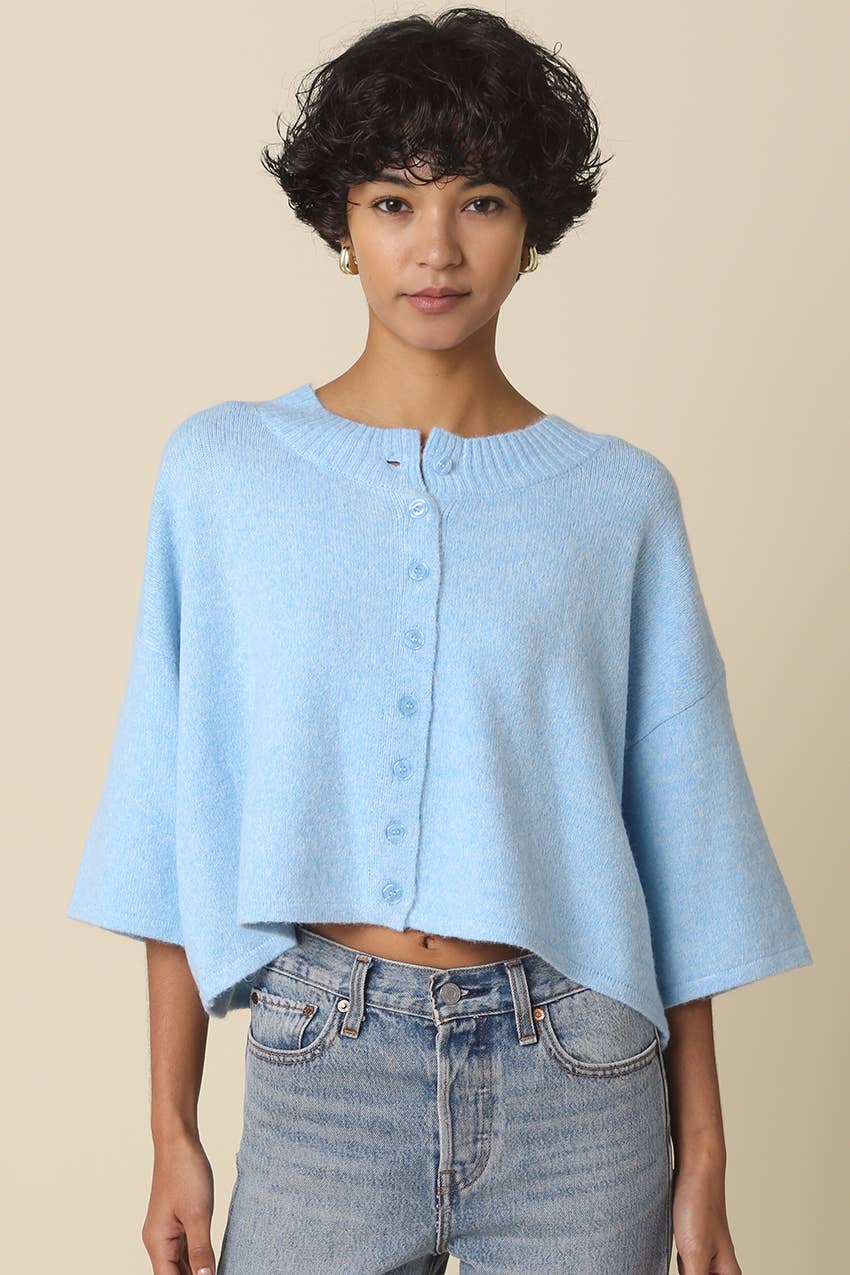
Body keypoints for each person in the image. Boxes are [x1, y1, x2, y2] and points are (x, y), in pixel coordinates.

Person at [66, 8, 813, 1274]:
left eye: (481, 202)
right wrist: (170, 1131)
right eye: (391, 202)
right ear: (339, 224)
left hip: (582, 1075)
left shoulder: (617, 501)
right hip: (324, 1066)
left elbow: (681, 848)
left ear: (532, 230)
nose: (435, 248)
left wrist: (704, 1164)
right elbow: (172, 808)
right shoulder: (225, 472)